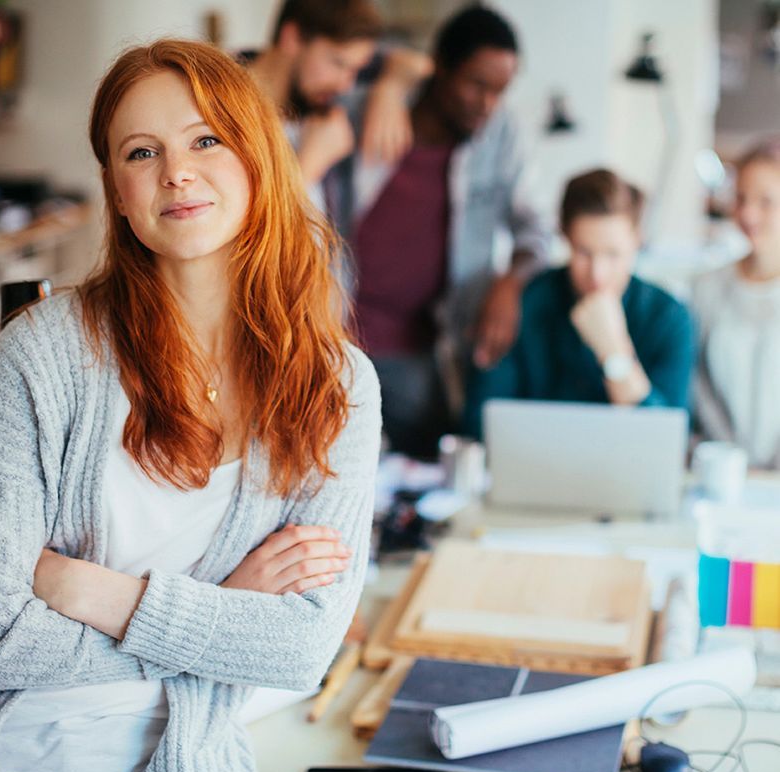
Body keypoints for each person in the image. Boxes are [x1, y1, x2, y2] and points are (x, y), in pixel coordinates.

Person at [0, 40, 381, 772]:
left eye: (205, 139)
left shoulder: (338, 386)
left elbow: (302, 647)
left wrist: (90, 590)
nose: (176, 172)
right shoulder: (41, 355)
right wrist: (227, 610)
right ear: (115, 190)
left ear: (256, 157)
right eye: (141, 152)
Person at [334, 3, 549, 459]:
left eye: (500, 91)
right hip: (334, 340)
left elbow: (536, 231)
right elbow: (329, 59)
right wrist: (392, 80)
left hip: (420, 351)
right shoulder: (365, 107)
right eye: (476, 85)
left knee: (425, 472)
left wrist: (511, 282)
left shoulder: (502, 133)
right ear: (440, 68)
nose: (487, 104)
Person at [463, 168, 695, 440]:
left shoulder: (670, 318)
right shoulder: (523, 303)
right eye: (584, 252)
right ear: (565, 237)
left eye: (612, 254)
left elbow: (666, 441)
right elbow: (480, 422)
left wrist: (614, 354)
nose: (597, 274)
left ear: (637, 240)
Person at [243, 0, 431, 214]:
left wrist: (390, 88)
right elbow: (245, 231)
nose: (345, 85)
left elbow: (416, 64)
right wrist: (309, 165)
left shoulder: (321, 102)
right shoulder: (218, 106)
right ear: (292, 37)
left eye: (356, 70)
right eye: (339, 63)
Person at [693, 141, 780, 468]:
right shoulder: (707, 287)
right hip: (721, 471)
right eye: (741, 198)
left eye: (766, 201)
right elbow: (698, 384)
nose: (748, 214)